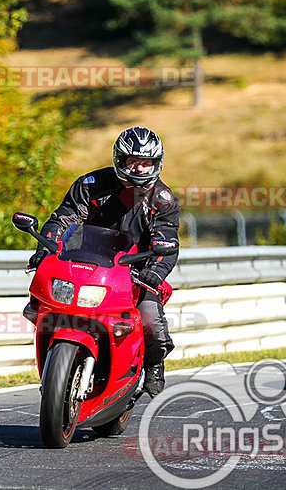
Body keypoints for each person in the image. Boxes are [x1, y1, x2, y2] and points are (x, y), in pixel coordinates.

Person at [28, 126, 180, 397]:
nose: (140, 169)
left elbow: (167, 241)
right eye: (134, 162)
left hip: (134, 271)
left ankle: (154, 363)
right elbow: (64, 217)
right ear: (120, 160)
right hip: (85, 264)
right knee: (38, 306)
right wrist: (44, 248)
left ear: (157, 164)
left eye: (147, 164)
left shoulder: (163, 200)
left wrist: (154, 272)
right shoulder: (91, 185)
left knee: (151, 324)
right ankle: (58, 365)